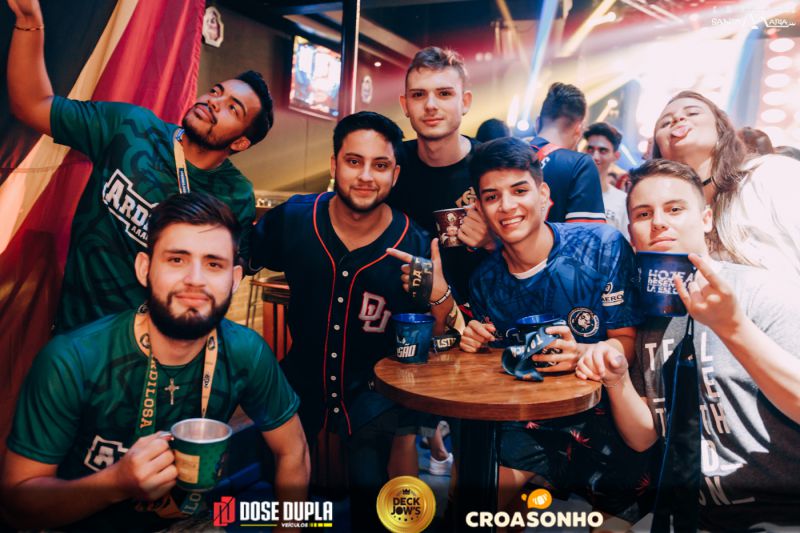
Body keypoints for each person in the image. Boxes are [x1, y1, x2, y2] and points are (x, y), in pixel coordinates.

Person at [0, 192, 309, 531]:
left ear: (234, 280)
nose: (195, 279)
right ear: (145, 269)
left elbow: (293, 450)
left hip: (188, 522)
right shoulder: (73, 359)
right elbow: (18, 504)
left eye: (213, 264)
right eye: (177, 259)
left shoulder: (245, 351)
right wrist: (116, 483)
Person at [7, 0, 274, 332]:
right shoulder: (130, 128)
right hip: (80, 336)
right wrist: (29, 19)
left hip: (159, 345)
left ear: (241, 143)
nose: (213, 102)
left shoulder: (235, 194)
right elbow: (32, 105)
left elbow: (225, 276)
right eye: (216, 92)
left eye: (233, 108)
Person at [249, 111, 454, 530]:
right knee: (281, 493)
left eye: (379, 165)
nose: (365, 176)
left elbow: (440, 341)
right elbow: (237, 260)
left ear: (395, 174)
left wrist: (439, 296)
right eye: (353, 161)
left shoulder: (415, 244)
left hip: (376, 392)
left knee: (373, 502)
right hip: (299, 383)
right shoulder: (295, 218)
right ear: (334, 164)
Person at [576, 159, 800, 531]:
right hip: (687, 514)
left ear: (706, 219)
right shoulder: (646, 316)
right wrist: (616, 380)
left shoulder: (762, 292)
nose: (658, 222)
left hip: (779, 514)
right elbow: (644, 436)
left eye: (675, 209)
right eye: (644, 214)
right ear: (631, 232)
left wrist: (734, 328)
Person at [458, 137, 651, 528]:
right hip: (531, 424)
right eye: (492, 196)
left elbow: (627, 343)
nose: (507, 206)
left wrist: (586, 352)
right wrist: (477, 339)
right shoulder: (484, 282)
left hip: (605, 419)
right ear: (479, 206)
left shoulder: (602, 246)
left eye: (519, 190)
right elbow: (500, 361)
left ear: (543, 195)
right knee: (470, 509)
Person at [652, 90, 800, 278]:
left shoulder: (772, 173)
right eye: (665, 123)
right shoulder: (663, 218)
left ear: (720, 128)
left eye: (692, 113)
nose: (678, 118)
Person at [531, 82, 606, 224]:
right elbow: (586, 234)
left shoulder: (507, 157)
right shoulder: (580, 165)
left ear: (537, 123)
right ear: (579, 129)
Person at [583, 122, 630, 240]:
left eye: (603, 151)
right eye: (590, 149)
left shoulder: (623, 201)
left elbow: (626, 243)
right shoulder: (568, 191)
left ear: (615, 156)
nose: (595, 156)